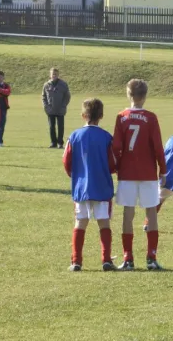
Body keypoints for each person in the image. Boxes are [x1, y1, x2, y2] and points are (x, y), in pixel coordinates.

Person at [113, 79, 166, 271]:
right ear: (145, 96)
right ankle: (151, 257)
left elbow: (116, 147)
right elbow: (158, 147)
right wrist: (163, 169)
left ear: (128, 95)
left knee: (128, 213)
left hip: (127, 172)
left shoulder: (121, 117)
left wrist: (117, 166)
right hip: (148, 172)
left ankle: (128, 259)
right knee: (151, 212)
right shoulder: (151, 118)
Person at [63, 98, 116, 272]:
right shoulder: (107, 137)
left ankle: (76, 261)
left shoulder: (74, 136)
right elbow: (113, 162)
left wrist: (74, 174)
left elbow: (66, 161)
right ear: (101, 115)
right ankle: (106, 260)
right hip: (102, 186)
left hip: (81, 187)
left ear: (83, 115)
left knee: (80, 223)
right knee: (104, 223)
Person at [42, 68, 71, 149]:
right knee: (51, 127)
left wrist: (63, 105)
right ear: (50, 75)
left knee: (60, 126)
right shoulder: (46, 85)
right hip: (50, 110)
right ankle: (53, 143)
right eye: (52, 74)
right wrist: (46, 107)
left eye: (55, 74)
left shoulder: (63, 84)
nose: (53, 75)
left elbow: (67, 96)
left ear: (58, 75)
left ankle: (60, 143)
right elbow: (43, 97)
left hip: (60, 110)